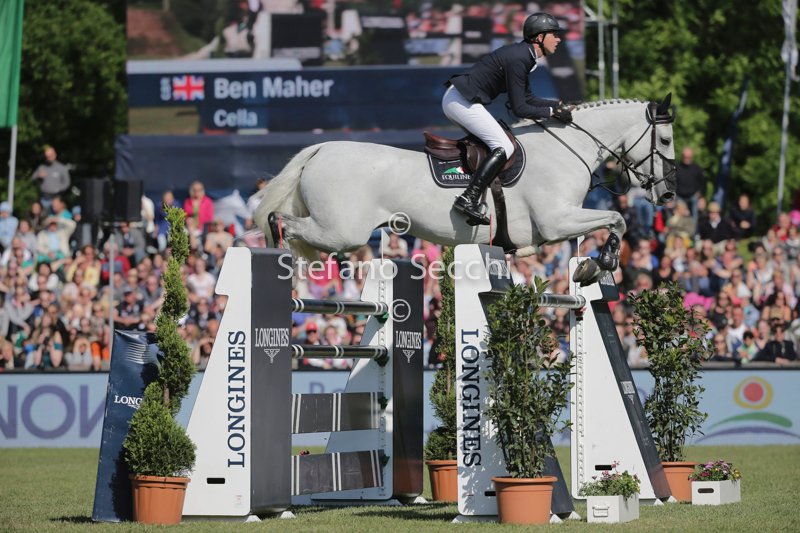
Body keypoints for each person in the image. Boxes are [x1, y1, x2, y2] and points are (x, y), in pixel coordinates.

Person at [443, 12, 571, 225]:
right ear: (539, 37)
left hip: (461, 100)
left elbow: (528, 98)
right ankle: (468, 198)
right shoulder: (520, 57)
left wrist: (557, 104)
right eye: (554, 34)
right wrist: (552, 113)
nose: (558, 39)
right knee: (504, 145)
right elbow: (520, 108)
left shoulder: (524, 56)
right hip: (461, 101)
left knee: (499, 143)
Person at [30, 145, 71, 211]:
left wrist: (58, 189)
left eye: (50, 156)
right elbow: (32, 178)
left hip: (56, 198)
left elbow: (67, 183)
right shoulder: (42, 167)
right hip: (43, 198)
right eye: (47, 156)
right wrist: (38, 176)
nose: (48, 158)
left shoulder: (62, 168)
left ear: (55, 155)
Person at [675, 147, 705, 223]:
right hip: (679, 196)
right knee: (678, 217)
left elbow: (703, 183)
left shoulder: (697, 168)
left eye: (689, 157)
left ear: (692, 157)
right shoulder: (676, 168)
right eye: (685, 157)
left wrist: (701, 197)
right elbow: (671, 183)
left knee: (695, 217)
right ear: (682, 156)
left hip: (693, 196)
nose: (687, 159)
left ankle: (694, 230)